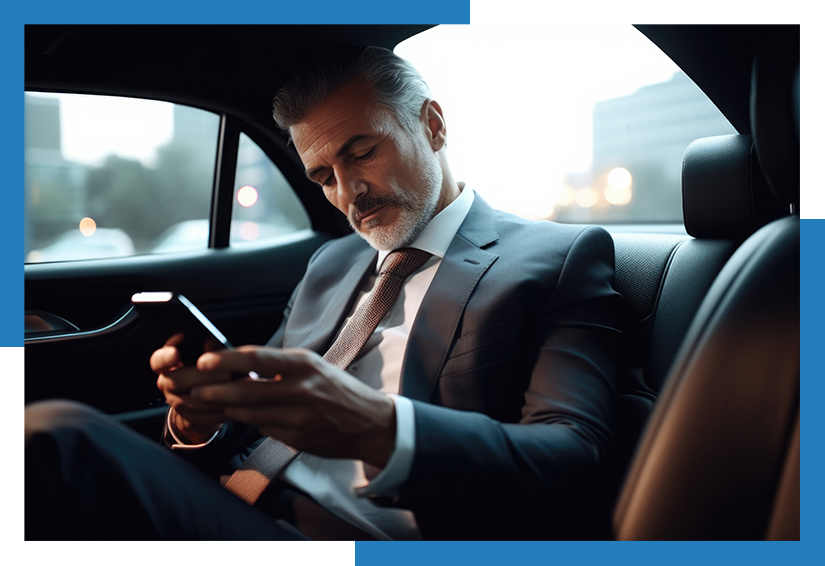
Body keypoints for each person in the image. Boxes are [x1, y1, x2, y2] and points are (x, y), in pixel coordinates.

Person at [24, 46, 622, 540]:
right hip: (242, 500)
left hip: (365, 533)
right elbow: (256, 419)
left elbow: (575, 456)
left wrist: (377, 427)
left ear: (433, 125)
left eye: (362, 152)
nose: (348, 192)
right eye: (322, 176)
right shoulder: (331, 262)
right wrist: (200, 417)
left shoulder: (556, 258)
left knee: (53, 438)